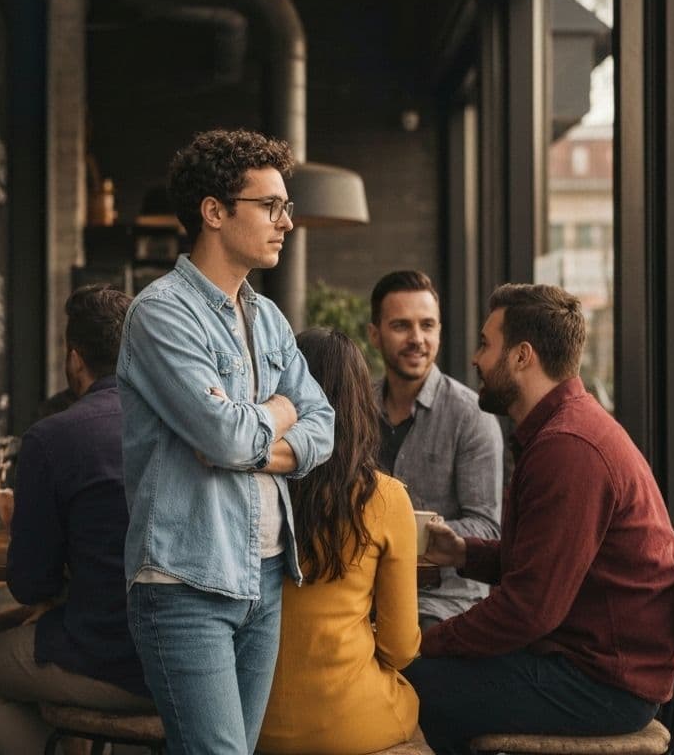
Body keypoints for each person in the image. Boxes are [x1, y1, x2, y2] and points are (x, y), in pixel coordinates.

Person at [117, 128, 335, 754]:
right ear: (214, 212)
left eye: (286, 207)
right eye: (270, 206)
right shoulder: (161, 313)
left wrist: (259, 432)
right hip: (185, 584)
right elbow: (225, 433)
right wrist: (277, 414)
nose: (285, 222)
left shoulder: (267, 317)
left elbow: (324, 425)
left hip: (265, 577)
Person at [404, 284, 674, 754]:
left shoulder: (568, 448)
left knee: (414, 681)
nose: (476, 359)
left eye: (487, 344)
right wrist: (464, 553)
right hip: (592, 663)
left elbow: (529, 609)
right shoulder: (566, 429)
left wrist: (418, 642)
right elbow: (547, 563)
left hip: (603, 685)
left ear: (522, 356)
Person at [0, 284, 154, 754]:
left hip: (114, 656)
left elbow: (30, 584)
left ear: (74, 359)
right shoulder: (185, 424)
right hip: (201, 658)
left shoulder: (54, 437)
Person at [258, 328, 421, 755]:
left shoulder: (249, 490)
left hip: (253, 721)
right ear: (359, 405)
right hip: (355, 724)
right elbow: (400, 647)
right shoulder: (385, 497)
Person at [366, 270, 503, 629]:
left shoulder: (472, 415)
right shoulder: (355, 408)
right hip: (364, 594)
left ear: (439, 331)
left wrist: (403, 535)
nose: (417, 339)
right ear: (374, 335)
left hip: (443, 602)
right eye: (401, 326)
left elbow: (487, 527)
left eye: (427, 325)